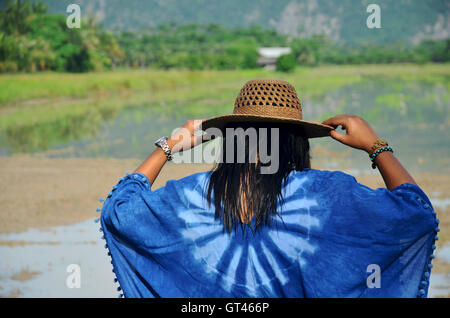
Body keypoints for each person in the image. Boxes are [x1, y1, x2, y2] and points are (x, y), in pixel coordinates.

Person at [98, 79, 439, 298]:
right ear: (296, 142)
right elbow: (416, 214)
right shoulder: (326, 195)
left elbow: (118, 212)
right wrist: (376, 146)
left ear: (233, 137)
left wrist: (169, 146)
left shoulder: (188, 198)